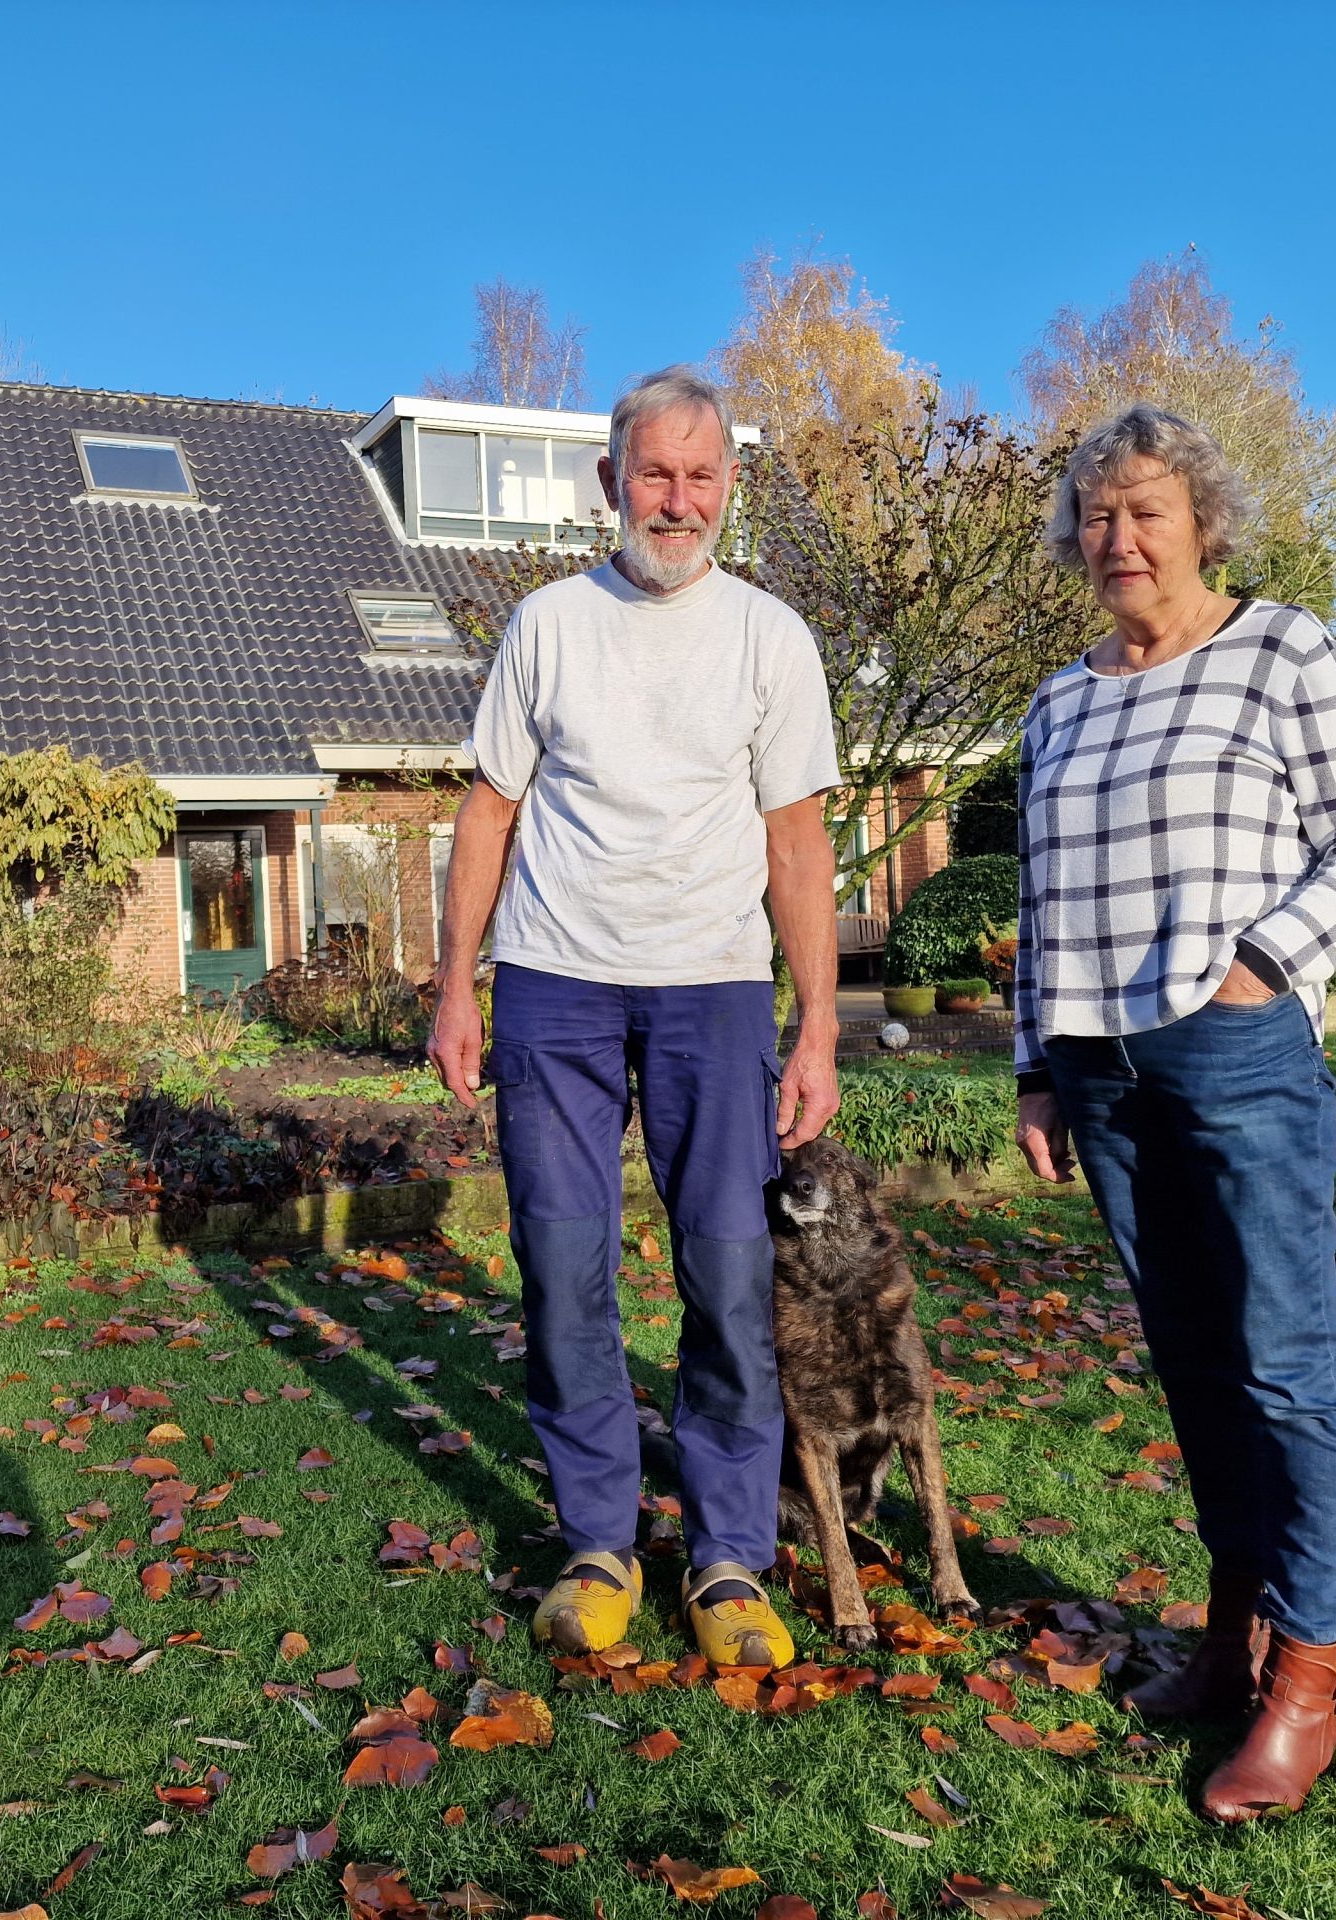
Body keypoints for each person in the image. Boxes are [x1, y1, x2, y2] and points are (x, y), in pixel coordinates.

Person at [1012, 404, 1336, 1822]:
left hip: (1235, 1052)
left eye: (1147, 511)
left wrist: (1264, 964)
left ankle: (1306, 1678)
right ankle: (1231, 1636)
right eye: (1097, 516)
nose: (1118, 539)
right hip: (1102, 1074)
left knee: (1286, 1365)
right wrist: (1033, 1066)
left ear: (1202, 522)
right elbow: (1039, 900)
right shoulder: (1056, 700)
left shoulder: (1279, 648)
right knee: (1192, 1362)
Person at [427, 365, 842, 1670]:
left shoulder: (772, 639)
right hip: (553, 985)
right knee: (565, 1273)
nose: (676, 500)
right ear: (612, 484)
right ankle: (599, 1538)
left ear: (729, 486)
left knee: (728, 1275)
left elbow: (797, 841)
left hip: (714, 992)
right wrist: (457, 982)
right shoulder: (548, 625)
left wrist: (817, 1022)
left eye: (700, 475)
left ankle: (727, 1557)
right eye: (652, 474)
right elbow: (489, 811)